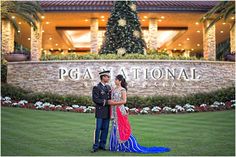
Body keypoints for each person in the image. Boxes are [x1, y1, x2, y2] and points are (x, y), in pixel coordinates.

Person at [108, 74, 171, 154]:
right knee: (114, 126)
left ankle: (124, 145)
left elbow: (124, 101)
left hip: (120, 110)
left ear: (119, 81)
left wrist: (114, 103)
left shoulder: (122, 90)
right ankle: (115, 146)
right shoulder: (113, 89)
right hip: (114, 110)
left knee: (122, 126)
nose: (115, 81)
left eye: (116, 79)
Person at [91, 70, 111, 153]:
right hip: (100, 111)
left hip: (107, 111)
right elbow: (95, 99)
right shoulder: (97, 87)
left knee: (105, 129)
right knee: (98, 129)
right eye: (107, 77)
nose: (109, 78)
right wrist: (106, 102)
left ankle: (102, 145)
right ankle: (95, 146)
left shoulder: (108, 87)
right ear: (103, 77)